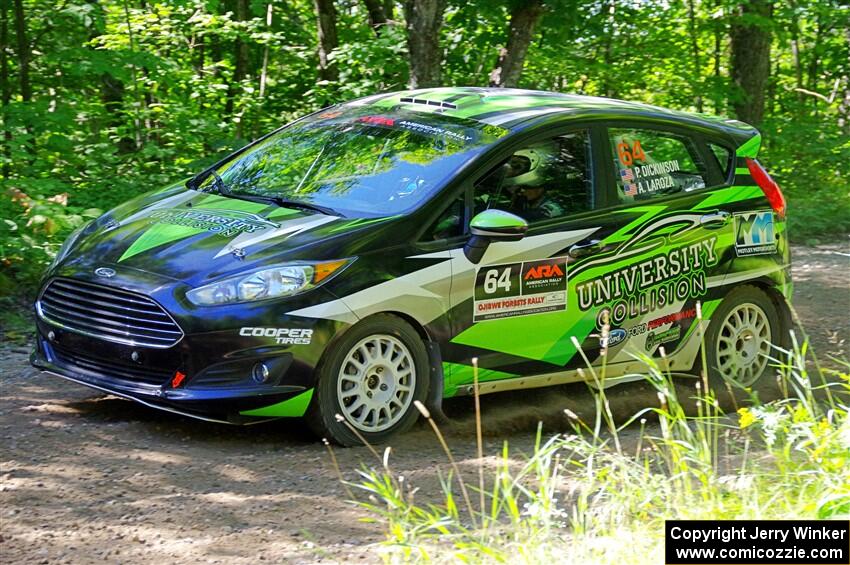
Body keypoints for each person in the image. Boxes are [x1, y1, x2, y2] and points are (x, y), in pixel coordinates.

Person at [504, 143, 564, 222]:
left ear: (540, 189)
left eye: (525, 188)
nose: (520, 192)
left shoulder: (551, 209)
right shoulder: (526, 202)